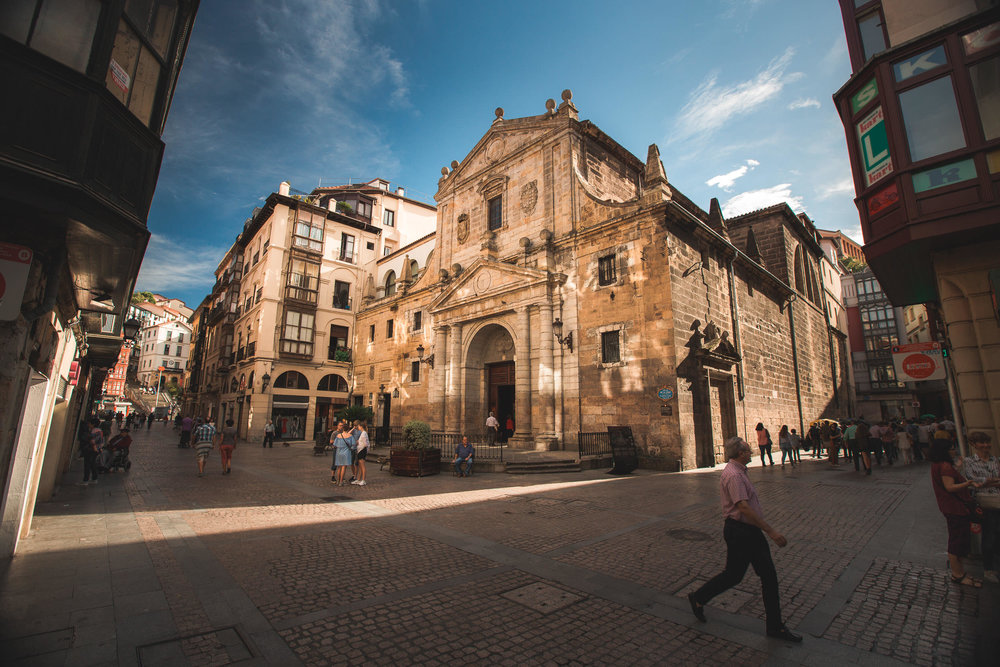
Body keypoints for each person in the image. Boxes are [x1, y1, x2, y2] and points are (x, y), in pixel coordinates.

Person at [687, 436, 802, 642]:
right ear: (741, 453)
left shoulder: (738, 472)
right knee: (760, 576)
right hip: (743, 532)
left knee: (739, 575)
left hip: (744, 531)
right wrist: (771, 532)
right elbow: (743, 507)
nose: (751, 453)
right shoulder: (735, 476)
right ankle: (775, 626)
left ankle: (699, 597)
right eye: (748, 451)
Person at [929, 439, 982, 587]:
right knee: (957, 541)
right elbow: (950, 487)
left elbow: (947, 479)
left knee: (957, 539)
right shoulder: (944, 466)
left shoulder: (939, 465)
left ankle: (960, 572)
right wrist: (969, 483)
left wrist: (957, 468)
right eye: (951, 448)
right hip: (954, 507)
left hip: (950, 506)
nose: (954, 450)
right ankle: (957, 574)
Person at [963, 432, 1000, 584]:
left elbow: (982, 481)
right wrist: (990, 480)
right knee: (989, 535)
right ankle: (989, 568)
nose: (986, 446)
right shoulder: (969, 461)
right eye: (982, 443)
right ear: (974, 444)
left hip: (998, 499)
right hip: (984, 503)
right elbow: (971, 480)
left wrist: (985, 481)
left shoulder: (996, 460)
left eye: (987, 442)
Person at [79, 418, 103, 485]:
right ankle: (94, 478)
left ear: (93, 424)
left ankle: (86, 480)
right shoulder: (99, 431)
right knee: (92, 464)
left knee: (87, 464)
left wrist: (94, 446)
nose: (88, 424)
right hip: (96, 449)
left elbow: (92, 441)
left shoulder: (94, 431)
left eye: (89, 423)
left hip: (91, 450)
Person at [350, 421, 369, 486]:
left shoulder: (363, 433)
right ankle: (359, 479)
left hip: (362, 450)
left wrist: (359, 444)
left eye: (358, 426)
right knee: (360, 466)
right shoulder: (363, 433)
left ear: (361, 426)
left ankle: (363, 480)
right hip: (360, 450)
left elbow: (365, 444)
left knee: (362, 466)